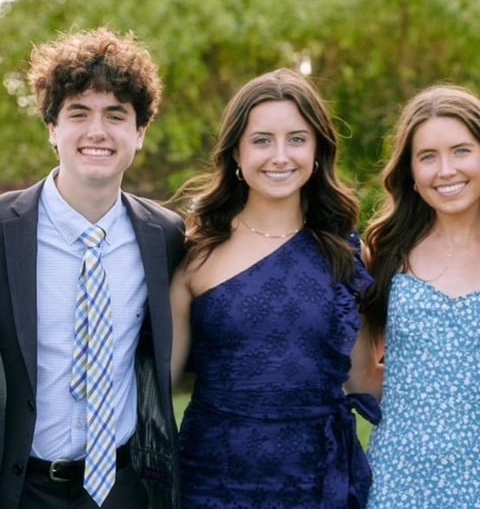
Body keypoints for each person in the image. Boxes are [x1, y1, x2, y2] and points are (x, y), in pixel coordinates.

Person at [170, 68, 379, 508]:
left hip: (319, 481)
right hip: (213, 481)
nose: (280, 156)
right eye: (262, 140)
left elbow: (363, 379)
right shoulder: (196, 253)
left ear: (318, 149)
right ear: (236, 152)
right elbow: (160, 382)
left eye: (297, 139)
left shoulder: (346, 253)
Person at [0, 28, 185, 509]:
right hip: (22, 488)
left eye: (116, 115)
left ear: (139, 132)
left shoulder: (166, 236)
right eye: (78, 113)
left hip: (124, 487)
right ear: (52, 128)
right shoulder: (3, 230)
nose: (97, 131)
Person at [348, 84, 480, 507]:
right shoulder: (384, 252)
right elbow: (361, 380)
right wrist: (423, 404)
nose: (446, 170)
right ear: (411, 173)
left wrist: (473, 407)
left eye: (461, 151)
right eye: (428, 157)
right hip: (397, 477)